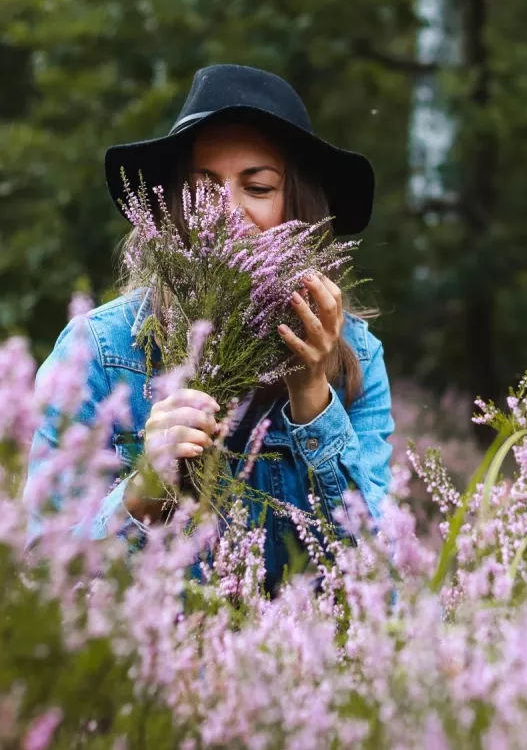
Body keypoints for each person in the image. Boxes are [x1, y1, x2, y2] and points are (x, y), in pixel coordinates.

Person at [25, 64, 394, 590]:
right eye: (204, 189)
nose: (227, 212)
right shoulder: (101, 351)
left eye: (259, 187)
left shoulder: (355, 354)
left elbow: (382, 582)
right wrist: (144, 490)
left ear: (299, 206)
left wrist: (313, 394)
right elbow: (43, 575)